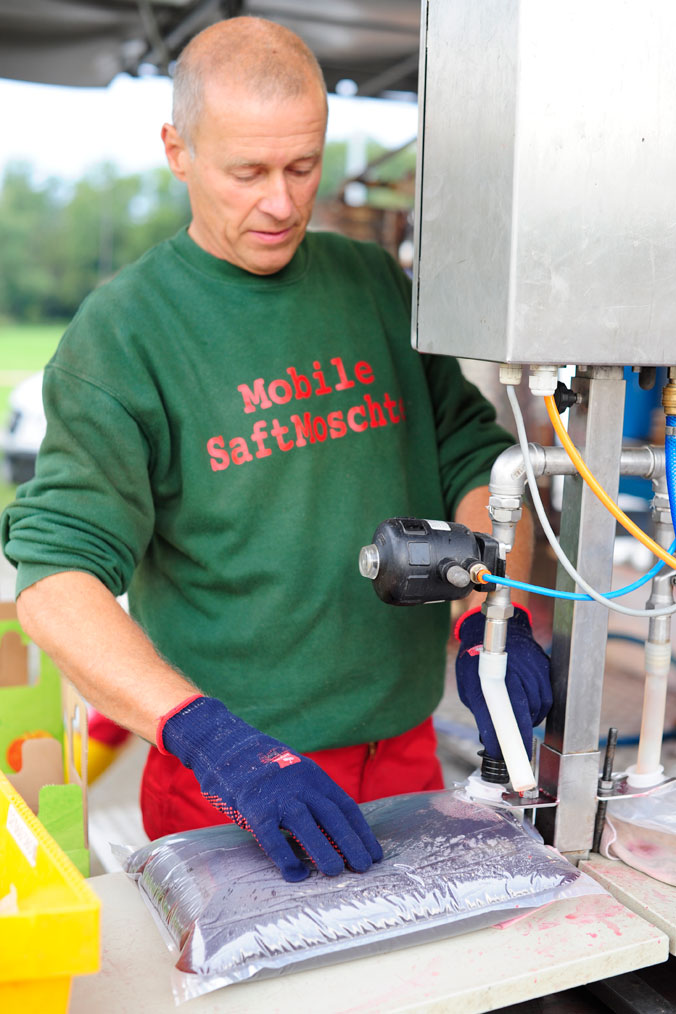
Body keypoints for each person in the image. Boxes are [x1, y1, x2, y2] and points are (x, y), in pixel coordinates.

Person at [1, 17, 550, 883]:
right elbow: (52, 580)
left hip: (405, 749)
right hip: (231, 780)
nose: (284, 202)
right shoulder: (125, 335)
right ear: (177, 150)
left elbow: (477, 462)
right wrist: (210, 740)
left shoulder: (373, 285)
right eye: (247, 172)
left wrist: (498, 612)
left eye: (303, 166)